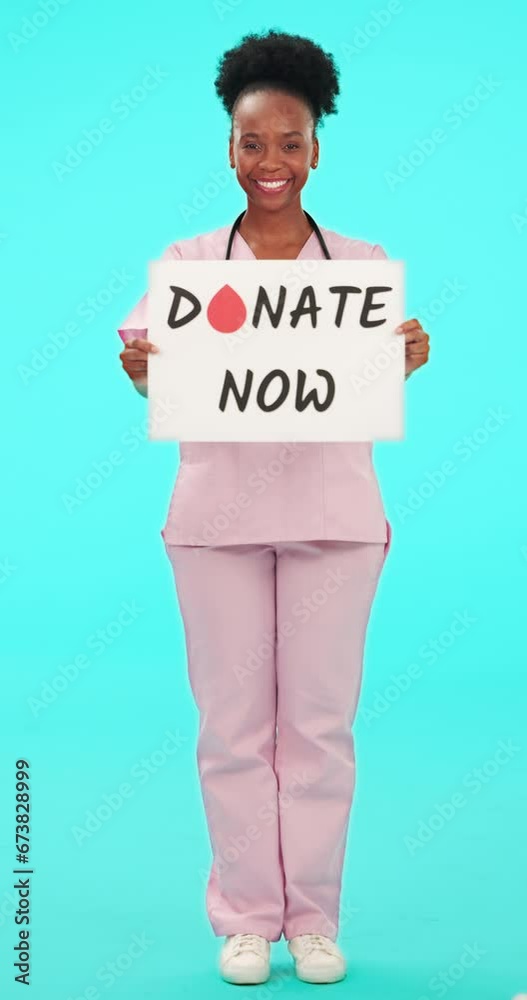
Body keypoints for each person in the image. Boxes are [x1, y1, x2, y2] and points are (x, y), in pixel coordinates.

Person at [118, 29, 430, 987]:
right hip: (215, 524)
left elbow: (370, 371)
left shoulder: (362, 266)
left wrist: (402, 355)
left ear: (315, 151)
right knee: (233, 728)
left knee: (320, 728)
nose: (270, 162)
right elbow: (159, 373)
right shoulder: (187, 265)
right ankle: (249, 914)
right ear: (229, 149)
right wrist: (141, 371)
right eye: (253, 142)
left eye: (289, 142)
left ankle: (315, 917)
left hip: (334, 521)